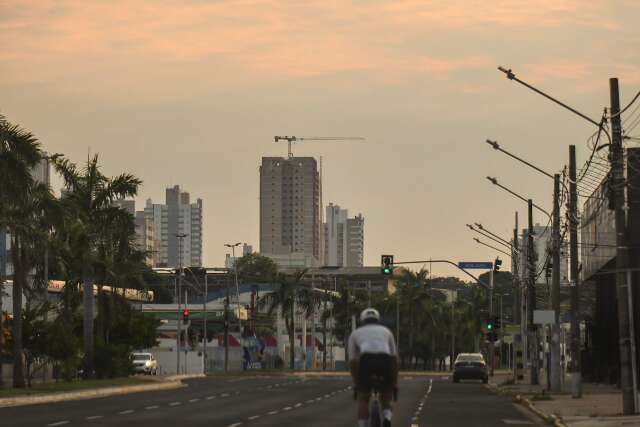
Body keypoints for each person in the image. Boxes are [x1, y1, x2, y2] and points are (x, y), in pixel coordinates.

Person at [348, 307, 398, 427]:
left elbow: (353, 361)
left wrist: (356, 382)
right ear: (377, 319)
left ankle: (363, 425)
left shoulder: (356, 333)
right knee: (386, 396)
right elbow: (394, 359)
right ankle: (387, 417)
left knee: (364, 398)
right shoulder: (387, 331)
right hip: (384, 360)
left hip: (366, 361)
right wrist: (394, 382)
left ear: (362, 320)